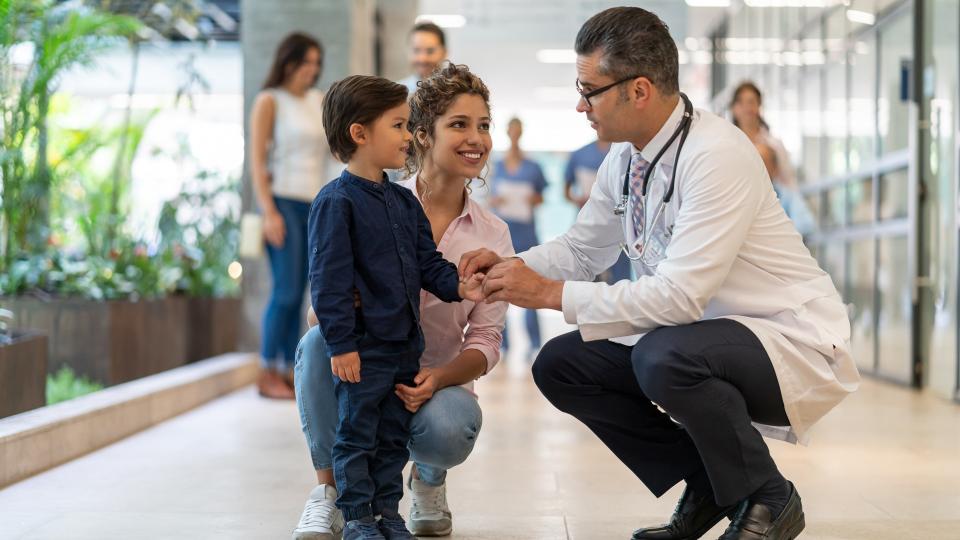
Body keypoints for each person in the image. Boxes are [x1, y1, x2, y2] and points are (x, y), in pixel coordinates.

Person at [460, 7, 859, 540]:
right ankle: (712, 483)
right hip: (702, 337)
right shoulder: (625, 160)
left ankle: (768, 496)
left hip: (788, 339)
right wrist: (512, 268)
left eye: (590, 89)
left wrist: (552, 294)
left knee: (663, 355)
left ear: (639, 90)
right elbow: (583, 248)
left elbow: (679, 300)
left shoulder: (717, 154)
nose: (580, 105)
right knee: (562, 364)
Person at [292, 63, 512, 540]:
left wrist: (464, 286)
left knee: (399, 438)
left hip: (421, 368)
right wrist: (345, 328)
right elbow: (325, 290)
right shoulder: (344, 200)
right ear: (422, 134)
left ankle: (406, 498)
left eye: (483, 125)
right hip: (366, 357)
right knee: (322, 358)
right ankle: (340, 505)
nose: (477, 138)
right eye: (458, 124)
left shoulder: (476, 228)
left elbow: (468, 313)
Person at [249, 32, 330, 400]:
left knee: (303, 294)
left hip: (314, 204)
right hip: (281, 202)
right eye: (305, 62)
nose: (311, 70)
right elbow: (256, 162)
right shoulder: (270, 101)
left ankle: (286, 371)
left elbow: (332, 154)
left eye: (316, 63)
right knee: (284, 292)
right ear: (288, 62)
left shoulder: (319, 100)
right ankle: (267, 370)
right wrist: (268, 212)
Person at [488, 118, 547, 355]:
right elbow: (487, 197)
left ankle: (534, 342)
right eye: (511, 130)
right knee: (500, 286)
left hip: (526, 232)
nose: (514, 134)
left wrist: (532, 199)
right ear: (507, 132)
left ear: (521, 132)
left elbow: (542, 197)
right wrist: (495, 201)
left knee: (530, 285)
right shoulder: (496, 166)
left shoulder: (533, 167)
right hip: (502, 233)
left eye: (518, 131)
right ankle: (503, 343)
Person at [564, 138, 632, 283]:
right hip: (589, 222)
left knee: (620, 281)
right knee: (585, 279)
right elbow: (566, 191)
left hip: (620, 225)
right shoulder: (580, 154)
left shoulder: (628, 152)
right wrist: (578, 199)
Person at [731, 81, 798, 189]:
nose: (746, 108)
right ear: (733, 108)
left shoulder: (774, 145)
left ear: (759, 106)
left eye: (751, 102)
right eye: (741, 103)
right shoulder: (727, 143)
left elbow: (789, 182)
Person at [755, 142, 816, 237]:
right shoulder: (745, 195)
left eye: (764, 163)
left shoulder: (788, 196)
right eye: (756, 163)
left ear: (775, 168)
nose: (760, 168)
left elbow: (806, 225)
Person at [397, 22, 447, 94]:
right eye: (416, 50)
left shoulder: (459, 94)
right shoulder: (398, 93)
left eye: (430, 51)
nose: (422, 59)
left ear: (444, 53)